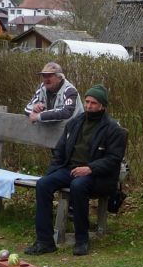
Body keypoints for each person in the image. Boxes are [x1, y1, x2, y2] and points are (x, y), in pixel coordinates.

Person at [24, 85, 127, 257]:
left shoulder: (113, 129)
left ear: (102, 105)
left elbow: (113, 159)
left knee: (78, 186)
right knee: (43, 184)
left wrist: (90, 168)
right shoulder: (75, 123)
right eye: (87, 101)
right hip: (70, 169)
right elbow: (60, 151)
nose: (88, 106)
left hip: (97, 175)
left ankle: (82, 239)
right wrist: (52, 173)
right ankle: (45, 241)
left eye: (93, 103)